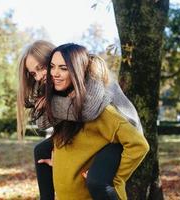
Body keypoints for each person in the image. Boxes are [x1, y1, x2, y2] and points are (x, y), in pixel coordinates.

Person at [17, 40, 147, 199]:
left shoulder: (93, 74)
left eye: (41, 68)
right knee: (41, 150)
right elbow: (44, 123)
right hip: (104, 130)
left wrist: (52, 104)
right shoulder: (61, 84)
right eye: (33, 74)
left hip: (123, 135)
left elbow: (88, 111)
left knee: (97, 181)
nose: (38, 77)